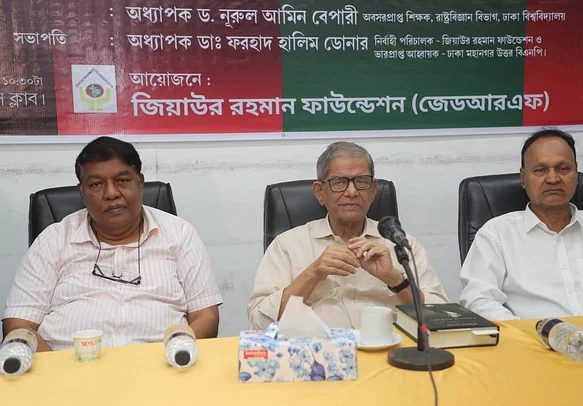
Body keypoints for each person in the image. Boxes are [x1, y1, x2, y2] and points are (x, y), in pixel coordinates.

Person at [2, 137, 223, 351]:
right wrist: (59, 371)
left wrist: (174, 358)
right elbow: (19, 325)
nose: (111, 193)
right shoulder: (53, 240)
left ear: (140, 183)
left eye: (122, 181)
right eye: (96, 184)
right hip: (68, 366)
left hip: (161, 365)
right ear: (82, 192)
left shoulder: (180, 234)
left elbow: (206, 315)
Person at [248, 141, 448, 329]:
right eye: (339, 182)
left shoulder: (401, 245)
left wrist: (395, 278)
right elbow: (258, 322)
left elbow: (443, 317)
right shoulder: (287, 245)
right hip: (318, 349)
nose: (352, 192)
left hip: (389, 346)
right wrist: (313, 274)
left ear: (373, 190)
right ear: (320, 192)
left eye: (361, 182)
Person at [460, 128, 583, 320]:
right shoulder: (496, 234)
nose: (553, 178)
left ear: (576, 172)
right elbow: (479, 300)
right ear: (523, 178)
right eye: (541, 170)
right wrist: (529, 333)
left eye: (563, 169)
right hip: (533, 337)